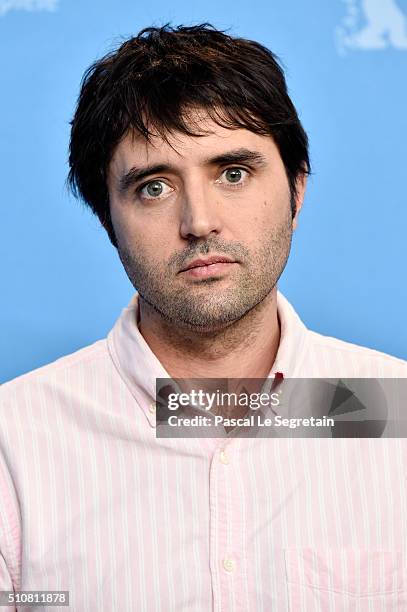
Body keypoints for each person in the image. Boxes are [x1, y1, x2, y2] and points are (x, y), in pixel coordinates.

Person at [1, 23, 406, 611]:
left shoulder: (397, 415)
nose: (200, 221)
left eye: (233, 173)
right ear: (107, 221)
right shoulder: (14, 445)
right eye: (154, 187)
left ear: (296, 190)